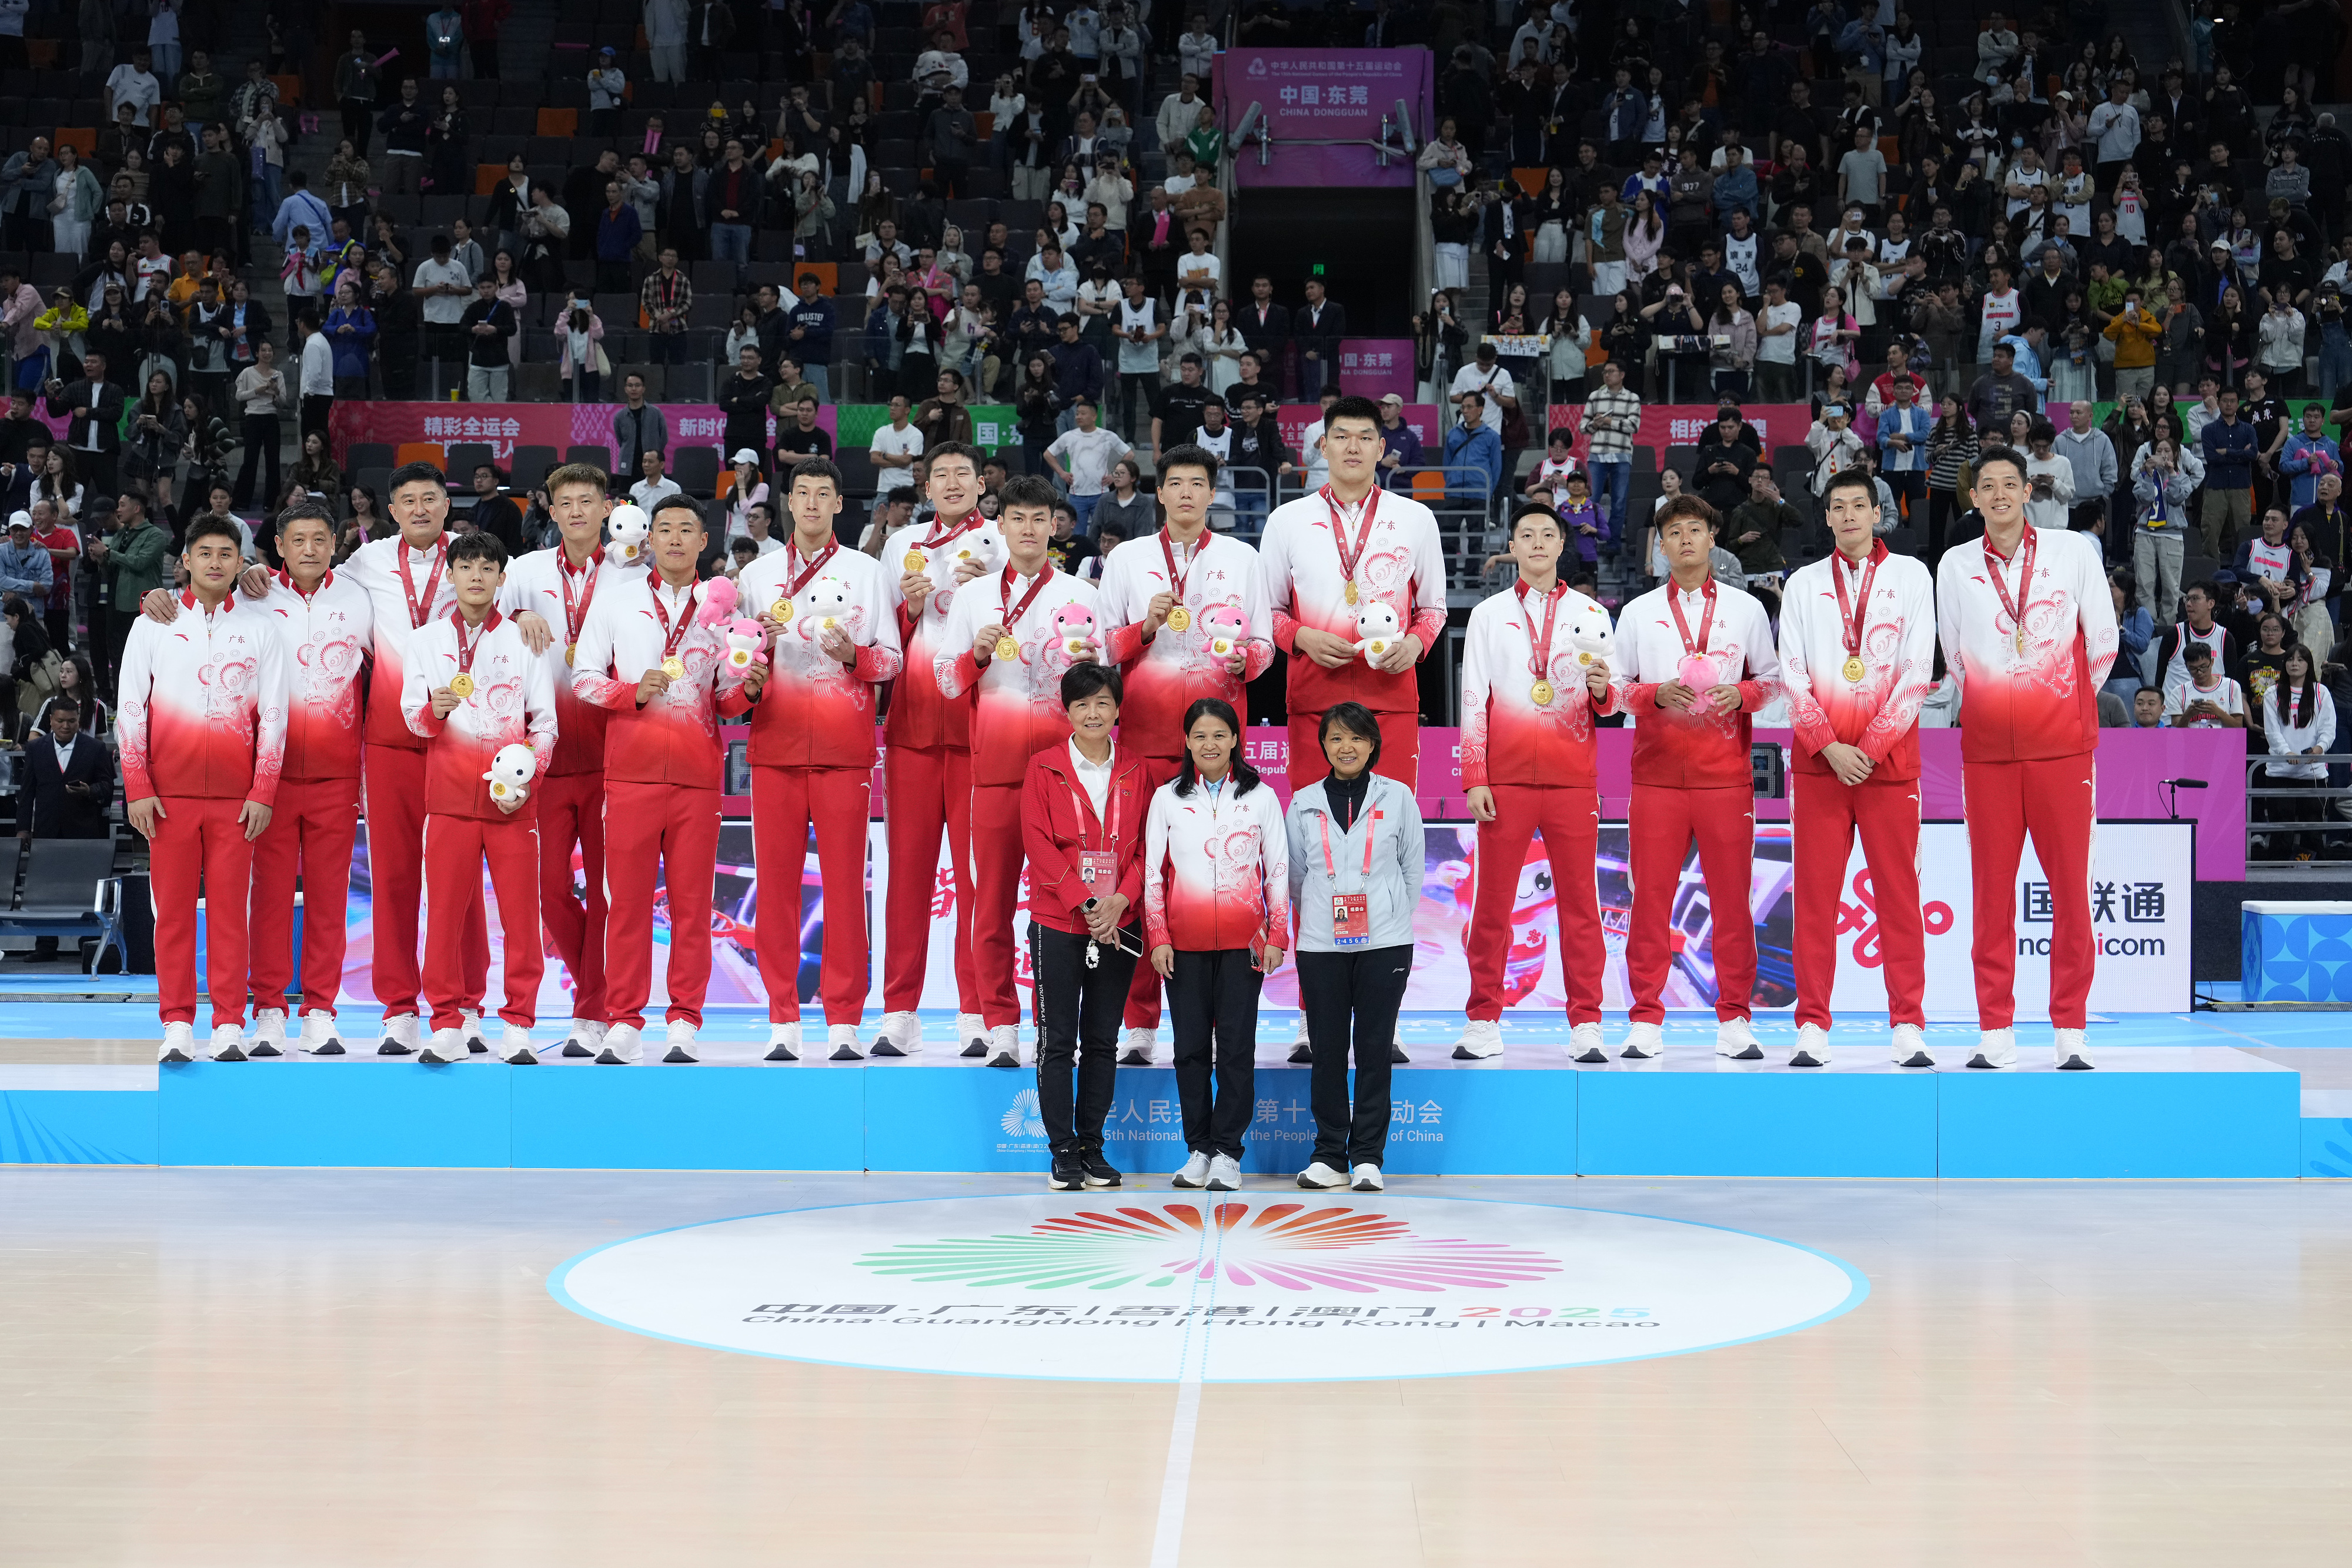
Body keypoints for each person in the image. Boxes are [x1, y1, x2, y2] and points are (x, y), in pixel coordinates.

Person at [1935, 445, 2119, 1070]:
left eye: (2009, 484)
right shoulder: (1956, 565)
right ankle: (1996, 1029)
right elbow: (1955, 656)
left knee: (2069, 890)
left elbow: (2101, 641)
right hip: (1986, 755)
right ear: (1974, 498)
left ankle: (2070, 1026)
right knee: (1990, 895)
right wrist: (2000, 705)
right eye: (1987, 486)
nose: (1999, 495)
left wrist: (2056, 705)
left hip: (2063, 751)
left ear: (2027, 490)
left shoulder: (2071, 551)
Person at [1097, 444, 1272, 1066]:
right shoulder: (1127, 559)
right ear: (1160, 494)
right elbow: (1102, 648)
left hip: (1217, 744)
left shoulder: (1242, 558)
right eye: (1176, 484)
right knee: (1145, 878)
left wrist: (1242, 661)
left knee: (1220, 878)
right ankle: (1139, 1022)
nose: (1188, 495)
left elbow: (1264, 646)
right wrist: (1143, 629)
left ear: (1212, 492)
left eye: (1199, 484)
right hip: (1144, 740)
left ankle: (1222, 1023)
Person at [569, 494, 754, 1062]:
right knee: (625, 904)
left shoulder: (725, 609)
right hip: (630, 778)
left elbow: (724, 700)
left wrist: (748, 690)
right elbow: (582, 680)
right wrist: (632, 693)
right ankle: (624, 1020)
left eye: (686, 530)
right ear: (649, 540)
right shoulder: (617, 601)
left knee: (692, 905)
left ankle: (684, 1021)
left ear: (705, 542)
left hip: (699, 779)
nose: (674, 539)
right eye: (664, 529)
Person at [936, 474, 1104, 1067]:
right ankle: (998, 1020)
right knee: (992, 902)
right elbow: (946, 681)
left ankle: (1065, 1022)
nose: (1029, 529)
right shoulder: (973, 598)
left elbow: (1103, 695)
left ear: (1055, 526)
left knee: (1070, 905)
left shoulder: (1081, 595)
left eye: (1040, 519)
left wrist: (1089, 670)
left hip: (1068, 777)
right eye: (1017, 519)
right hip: (999, 772)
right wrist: (976, 654)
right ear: (999, 525)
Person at [737, 460, 902, 1061]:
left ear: (839, 503)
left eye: (823, 494)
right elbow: (734, 674)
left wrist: (852, 653)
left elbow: (892, 663)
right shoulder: (756, 576)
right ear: (786, 501)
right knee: (776, 888)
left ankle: (844, 1021)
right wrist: (752, 652)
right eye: (801, 493)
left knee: (843, 890)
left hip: (844, 754)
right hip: (775, 749)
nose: (811, 504)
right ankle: (782, 1018)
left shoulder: (866, 572)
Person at [1609, 494, 1781, 1059]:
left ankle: (1735, 1016)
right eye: (1673, 532)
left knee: (1732, 901)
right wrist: (1652, 693)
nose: (1685, 539)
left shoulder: (1746, 609)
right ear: (1660, 546)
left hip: (1725, 781)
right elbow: (1613, 692)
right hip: (1656, 781)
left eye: (1695, 530)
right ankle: (1645, 1018)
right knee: (1651, 901)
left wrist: (1744, 692)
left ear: (1713, 539)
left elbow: (1775, 681)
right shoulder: (1637, 612)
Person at [1778, 469, 1937, 1066]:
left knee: (1898, 897)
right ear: (1825, 518)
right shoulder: (1802, 585)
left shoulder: (1911, 577)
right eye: (1837, 507)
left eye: (1857, 506)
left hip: (1888, 767)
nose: (1847, 516)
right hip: (1820, 770)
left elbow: (1917, 671)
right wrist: (1827, 745)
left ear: (1878, 513)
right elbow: (1791, 675)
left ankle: (1907, 1026)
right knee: (1815, 902)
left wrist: (1867, 748)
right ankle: (1812, 1025)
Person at [1456, 503, 1616, 1061]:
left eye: (1548, 534)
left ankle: (1587, 1021)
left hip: (1573, 781)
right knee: (1494, 903)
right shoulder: (1488, 615)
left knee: (1581, 904)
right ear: (1514, 546)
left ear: (1561, 543)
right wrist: (1475, 775)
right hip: (1506, 783)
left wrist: (1602, 689)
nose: (1538, 543)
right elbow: (1474, 699)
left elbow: (1611, 702)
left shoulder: (1592, 611)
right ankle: (1483, 1017)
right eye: (1527, 534)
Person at [123, 515, 286, 1062]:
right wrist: (138, 786)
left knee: (228, 913)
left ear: (242, 563)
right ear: (185, 561)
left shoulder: (261, 629)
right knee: (170, 913)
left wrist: (263, 789)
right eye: (205, 552)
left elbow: (275, 716)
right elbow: (129, 712)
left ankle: (229, 1022)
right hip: (168, 799)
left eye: (227, 553)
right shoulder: (153, 624)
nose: (216, 562)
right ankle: (175, 1022)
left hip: (237, 801)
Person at [341, 464, 486, 1054]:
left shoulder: (475, 558)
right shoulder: (364, 562)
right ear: (391, 510)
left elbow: (525, 602)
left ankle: (469, 1004)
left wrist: (526, 614)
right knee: (395, 877)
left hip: (464, 735)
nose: (422, 508)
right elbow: (301, 588)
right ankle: (399, 1008)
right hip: (391, 739)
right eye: (409, 500)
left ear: (445, 507)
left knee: (464, 881)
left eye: (432, 499)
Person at [399, 530, 553, 1064]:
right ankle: (445, 1021)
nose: (477, 576)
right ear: (451, 574)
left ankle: (518, 1022)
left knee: (519, 917)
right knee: (442, 917)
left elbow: (546, 726)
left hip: (513, 806)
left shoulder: (523, 640)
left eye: (488, 568)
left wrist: (527, 782)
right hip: (448, 802)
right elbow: (412, 720)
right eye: (467, 567)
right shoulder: (423, 641)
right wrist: (435, 710)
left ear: (501, 578)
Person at [497, 466, 630, 1057]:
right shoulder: (524, 574)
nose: (577, 512)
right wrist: (512, 617)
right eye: (565, 503)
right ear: (549, 509)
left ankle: (592, 1011)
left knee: (606, 893)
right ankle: (591, 985)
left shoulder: (634, 572)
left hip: (615, 752)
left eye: (588, 501)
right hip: (544, 754)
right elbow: (480, 624)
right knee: (548, 887)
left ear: (608, 507)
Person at [874, 444, 995, 1057]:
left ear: (981, 484)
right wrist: (911, 606)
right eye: (939, 475)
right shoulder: (901, 546)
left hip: (980, 731)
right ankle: (900, 1011)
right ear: (925, 485)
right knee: (908, 879)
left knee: (978, 881)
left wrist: (987, 598)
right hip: (914, 728)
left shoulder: (1002, 541)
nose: (950, 484)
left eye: (961, 475)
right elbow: (878, 640)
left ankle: (976, 1012)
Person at [1024, 661, 1152, 1189]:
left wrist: (1120, 900)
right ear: (1068, 711)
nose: (1093, 713)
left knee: (1103, 1039)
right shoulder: (1044, 766)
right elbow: (1038, 843)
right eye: (1082, 704)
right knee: (1058, 1040)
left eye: (1102, 702)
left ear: (1117, 708)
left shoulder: (1139, 770)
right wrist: (1084, 902)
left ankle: (1093, 1147)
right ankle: (1062, 1151)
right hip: (1058, 921)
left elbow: (1149, 847)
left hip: (1120, 923)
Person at [1285, 702, 1423, 1192]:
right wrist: (1324, 909)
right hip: (1322, 942)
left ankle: (1367, 1156)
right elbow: (1297, 877)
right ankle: (1327, 1155)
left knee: (1373, 1048)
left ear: (1372, 745)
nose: (1347, 748)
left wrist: (1388, 915)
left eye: (1357, 738)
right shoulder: (1302, 801)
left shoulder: (1399, 797)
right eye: (1337, 738)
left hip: (1385, 942)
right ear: (1323, 745)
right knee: (1327, 1052)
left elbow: (1412, 869)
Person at [2261, 643, 2337, 859]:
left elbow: (2328, 728)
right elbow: (2272, 732)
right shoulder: (2272, 693)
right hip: (2279, 773)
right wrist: (2287, 754)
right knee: (2281, 833)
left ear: (2308, 665)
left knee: (2312, 834)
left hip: (2313, 774)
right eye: (2290, 659)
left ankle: (2313, 879)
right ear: (2284, 664)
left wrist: (2319, 748)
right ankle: (2277, 878)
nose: (2294, 664)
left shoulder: (2321, 692)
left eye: (2300, 660)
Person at [18, 696, 111, 840]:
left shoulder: (96, 748)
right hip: (46, 829)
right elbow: (27, 792)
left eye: (71, 721)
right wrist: (23, 829)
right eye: (60, 721)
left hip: (83, 829)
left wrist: (89, 791)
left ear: (78, 720)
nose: (66, 726)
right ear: (51, 720)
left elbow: (107, 785)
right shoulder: (35, 748)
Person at [2161, 643, 2248, 728]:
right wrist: (2188, 715)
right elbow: (2175, 732)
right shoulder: (2179, 692)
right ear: (2186, 666)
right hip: (2191, 740)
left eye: (2203, 667)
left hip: (2223, 740)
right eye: (2193, 669)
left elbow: (2238, 727)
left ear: (2212, 662)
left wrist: (2218, 712)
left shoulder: (2232, 686)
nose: (2199, 672)